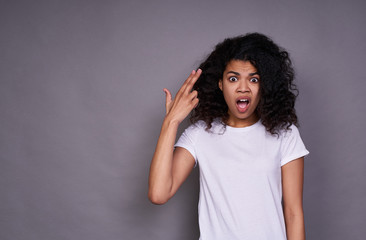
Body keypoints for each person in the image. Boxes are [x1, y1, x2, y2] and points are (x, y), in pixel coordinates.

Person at [148, 32, 309, 240]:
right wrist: (171, 122)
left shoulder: (285, 134)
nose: (243, 88)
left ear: (265, 85)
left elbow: (293, 213)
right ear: (220, 84)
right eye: (233, 78)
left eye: (254, 79)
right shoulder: (199, 135)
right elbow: (158, 194)